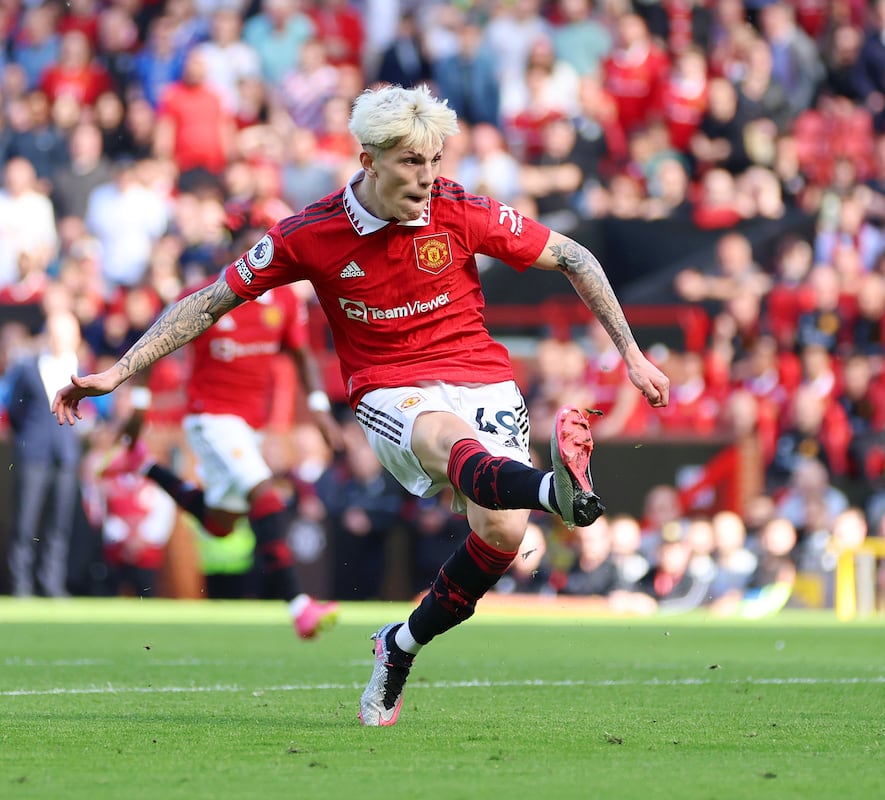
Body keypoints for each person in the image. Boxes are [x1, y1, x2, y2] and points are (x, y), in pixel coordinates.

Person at [53, 84, 672, 727]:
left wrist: (629, 352)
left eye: (434, 161)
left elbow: (572, 254)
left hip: (481, 375)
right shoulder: (309, 233)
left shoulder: (462, 210)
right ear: (368, 160)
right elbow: (210, 301)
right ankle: (555, 492)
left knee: (503, 534)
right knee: (448, 438)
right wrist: (119, 371)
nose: (427, 177)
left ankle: (398, 644)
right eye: (410, 162)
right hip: (388, 385)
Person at [119, 257, 344, 639]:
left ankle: (144, 466)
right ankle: (298, 604)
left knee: (220, 524)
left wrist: (320, 409)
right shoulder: (205, 294)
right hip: (209, 417)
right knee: (266, 494)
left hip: (247, 425)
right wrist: (140, 401)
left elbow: (302, 355)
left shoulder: (285, 301)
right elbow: (156, 338)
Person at [6, 313, 84, 598]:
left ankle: (52, 583)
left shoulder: (80, 367)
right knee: (25, 521)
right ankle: (21, 585)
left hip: (65, 455)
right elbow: (15, 409)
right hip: (34, 454)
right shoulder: (27, 367)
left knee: (59, 524)